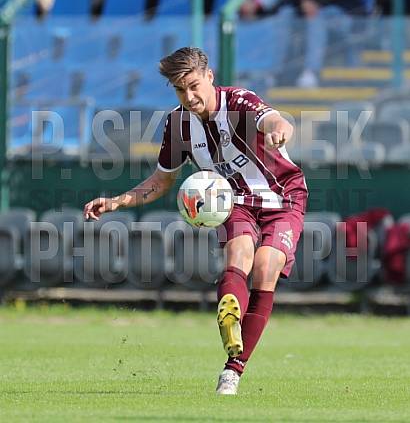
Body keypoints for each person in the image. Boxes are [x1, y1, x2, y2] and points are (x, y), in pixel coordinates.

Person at [83, 47, 308, 395]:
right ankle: (229, 314)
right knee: (239, 255)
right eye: (179, 90)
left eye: (193, 86)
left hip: (283, 197)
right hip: (233, 201)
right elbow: (161, 181)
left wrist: (280, 128)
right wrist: (116, 202)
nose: (189, 97)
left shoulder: (239, 102)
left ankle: (233, 369)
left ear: (209, 77)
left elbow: (273, 119)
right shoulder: (178, 124)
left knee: (266, 266)